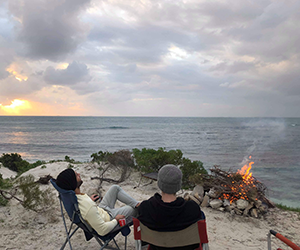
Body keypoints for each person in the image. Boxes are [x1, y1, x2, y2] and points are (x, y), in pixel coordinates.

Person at [55, 168, 140, 236]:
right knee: (135, 209)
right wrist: (116, 220)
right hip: (109, 218)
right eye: (76, 175)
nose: (79, 174)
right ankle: (140, 206)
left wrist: (90, 200)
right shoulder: (87, 206)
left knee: (115, 188)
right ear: (72, 182)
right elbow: (102, 230)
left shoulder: (75, 197)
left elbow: (87, 208)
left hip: (100, 210)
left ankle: (137, 204)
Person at [138, 164, 204, 249]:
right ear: (179, 185)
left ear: (159, 183)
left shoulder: (145, 208)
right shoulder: (192, 209)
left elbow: (143, 241)